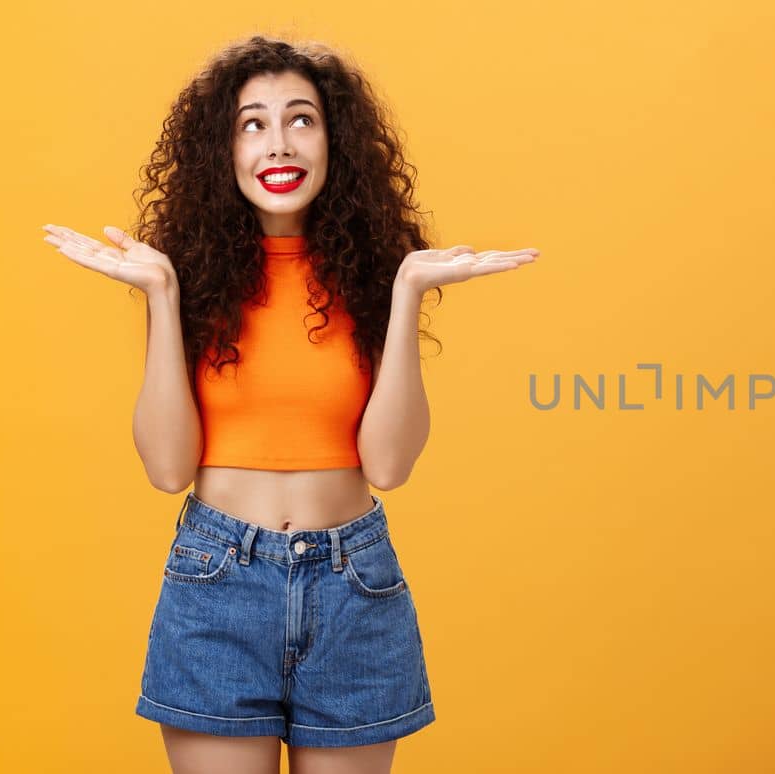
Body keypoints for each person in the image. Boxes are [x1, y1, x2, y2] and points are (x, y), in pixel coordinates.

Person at [41, 35, 539, 774]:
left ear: (335, 141)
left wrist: (406, 294)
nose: (279, 143)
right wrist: (162, 296)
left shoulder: (374, 276)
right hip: (217, 586)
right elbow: (167, 467)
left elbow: (391, 465)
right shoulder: (190, 281)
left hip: (354, 587)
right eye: (253, 123)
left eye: (301, 119)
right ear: (225, 151)